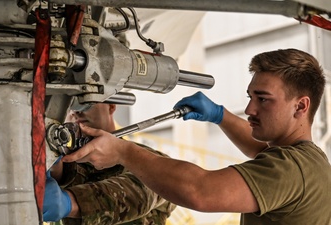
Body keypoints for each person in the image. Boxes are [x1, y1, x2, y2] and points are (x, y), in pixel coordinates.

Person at [62, 48, 331, 225]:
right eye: (250, 97)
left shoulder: (290, 169)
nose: (250, 109)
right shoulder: (305, 159)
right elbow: (258, 149)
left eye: (263, 99)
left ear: (301, 106)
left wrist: (123, 152)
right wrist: (219, 115)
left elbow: (199, 191)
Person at [43, 103, 176, 224]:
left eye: (85, 103)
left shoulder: (147, 160)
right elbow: (74, 173)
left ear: (111, 106)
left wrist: (70, 203)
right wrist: (56, 168)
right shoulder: (69, 162)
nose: (75, 111)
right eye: (69, 103)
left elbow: (140, 192)